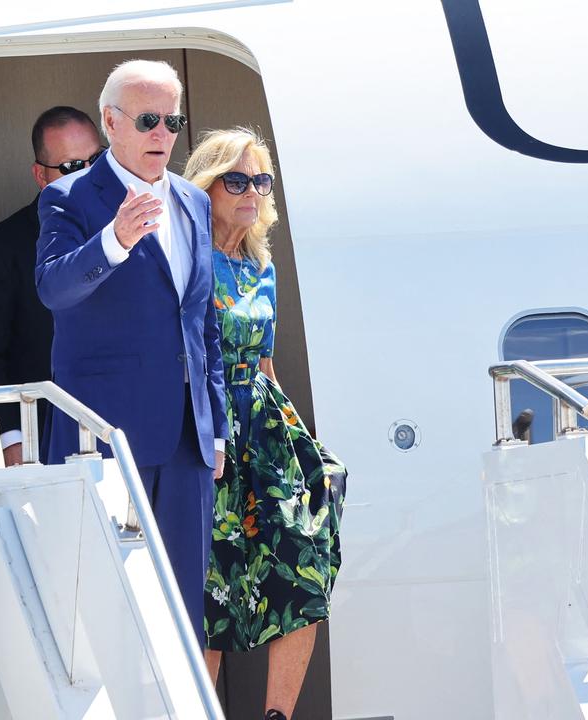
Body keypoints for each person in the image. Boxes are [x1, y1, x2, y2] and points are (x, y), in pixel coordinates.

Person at [34, 60, 227, 643]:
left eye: (174, 120)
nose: (163, 135)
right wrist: (113, 241)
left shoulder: (192, 201)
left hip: (188, 443)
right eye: (148, 120)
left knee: (181, 615)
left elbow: (201, 323)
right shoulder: (70, 198)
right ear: (111, 122)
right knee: (106, 614)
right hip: (106, 437)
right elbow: (53, 288)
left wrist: (214, 425)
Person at [184, 128, 347, 720]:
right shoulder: (187, 257)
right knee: (214, 592)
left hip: (267, 434)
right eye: (237, 179)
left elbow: (266, 367)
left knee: (303, 570)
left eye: (261, 181)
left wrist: (307, 449)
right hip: (209, 433)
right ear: (207, 187)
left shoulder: (261, 266)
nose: (251, 191)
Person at [0, 106, 103, 466]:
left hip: (125, 426)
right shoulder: (3, 245)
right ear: (41, 175)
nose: (86, 174)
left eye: (96, 160)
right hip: (44, 436)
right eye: (70, 166)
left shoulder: (137, 227)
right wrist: (10, 436)